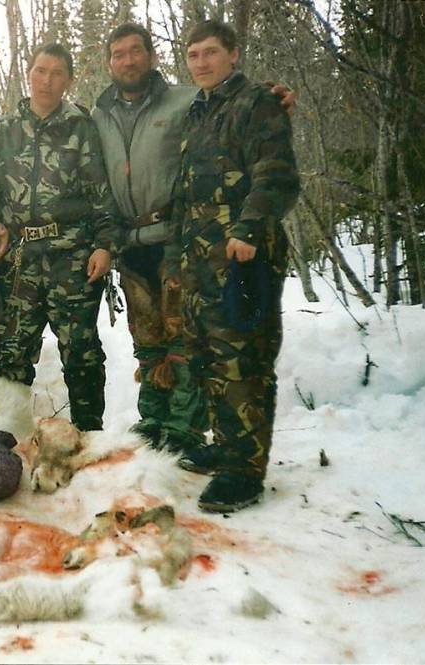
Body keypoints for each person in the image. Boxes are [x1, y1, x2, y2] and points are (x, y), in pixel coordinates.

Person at [92, 22, 295, 472]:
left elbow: (248, 125)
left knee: (192, 340)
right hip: (135, 240)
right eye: (118, 54)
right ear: (109, 62)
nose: (127, 60)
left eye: (135, 51)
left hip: (186, 239)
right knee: (150, 340)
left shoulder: (186, 101)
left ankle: (188, 428)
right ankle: (157, 419)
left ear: (150, 55)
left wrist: (272, 97)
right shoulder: (99, 113)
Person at [165, 20, 300, 513]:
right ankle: (226, 444)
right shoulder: (197, 113)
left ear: (233, 55)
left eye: (210, 53)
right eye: (193, 54)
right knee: (207, 360)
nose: (201, 62)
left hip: (244, 262)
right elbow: (185, 195)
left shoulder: (255, 105)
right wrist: (175, 260)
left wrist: (247, 231)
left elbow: (277, 176)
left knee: (243, 362)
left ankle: (244, 470)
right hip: (200, 263)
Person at [0, 43, 124, 433]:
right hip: (18, 259)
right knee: (12, 354)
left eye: (56, 73)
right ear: (28, 74)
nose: (46, 81)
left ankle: (89, 436)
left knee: (81, 352)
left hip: (72, 256)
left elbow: (101, 193)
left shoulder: (82, 128)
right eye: (40, 71)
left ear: (68, 80)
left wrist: (105, 245)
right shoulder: (0, 132)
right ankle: (5, 440)